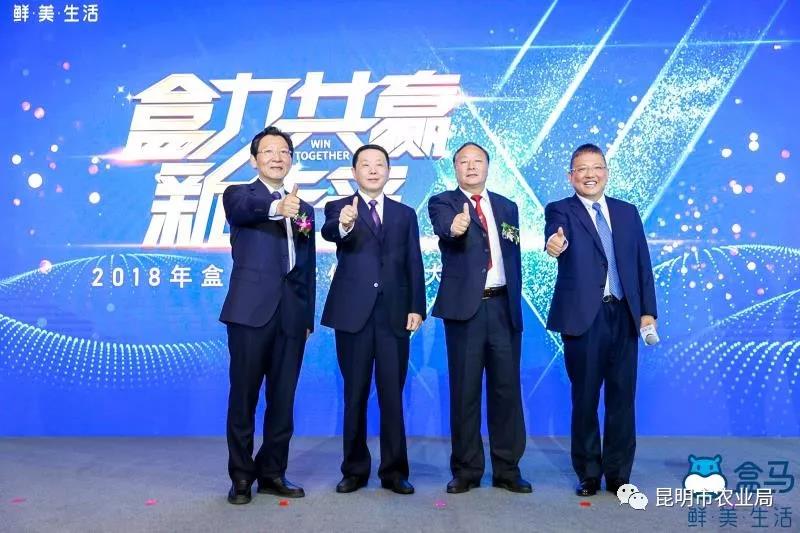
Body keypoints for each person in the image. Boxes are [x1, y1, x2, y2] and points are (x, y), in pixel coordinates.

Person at [544, 143, 658, 497]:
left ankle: (619, 474)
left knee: (623, 398)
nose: (589, 175)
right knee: (586, 398)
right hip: (584, 318)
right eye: (581, 169)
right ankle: (589, 473)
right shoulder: (560, 210)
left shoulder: (627, 212)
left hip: (624, 315)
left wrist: (647, 312)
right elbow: (554, 238)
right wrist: (554, 245)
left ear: (606, 173)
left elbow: (642, 264)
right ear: (571, 176)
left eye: (596, 168)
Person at [219, 126, 316, 504]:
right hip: (249, 314)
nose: (277, 158)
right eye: (269, 152)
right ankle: (242, 477)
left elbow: (306, 267)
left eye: (284, 152)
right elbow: (243, 212)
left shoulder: (304, 209)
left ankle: (273, 472)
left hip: (292, 317)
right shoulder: (239, 195)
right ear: (254, 160)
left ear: (291, 159)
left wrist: (307, 316)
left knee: (283, 399)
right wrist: (277, 208)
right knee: (243, 398)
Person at [321, 144, 425, 495]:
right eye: (365, 164)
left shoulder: (404, 214)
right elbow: (330, 231)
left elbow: (414, 262)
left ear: (388, 171)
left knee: (392, 396)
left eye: (379, 164)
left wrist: (416, 306)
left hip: (394, 315)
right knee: (355, 394)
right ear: (354, 172)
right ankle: (354, 470)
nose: (373, 170)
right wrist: (344, 224)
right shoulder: (339, 207)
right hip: (353, 315)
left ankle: (394, 472)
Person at [428, 142, 531, 494]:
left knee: (507, 391)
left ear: (488, 166)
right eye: (464, 162)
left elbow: (513, 254)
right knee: (465, 392)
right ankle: (467, 470)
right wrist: (456, 226)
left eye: (478, 161)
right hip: (465, 312)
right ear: (455, 167)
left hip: (503, 308)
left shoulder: (507, 206)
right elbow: (446, 228)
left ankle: (508, 469)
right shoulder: (443, 203)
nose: (471, 167)